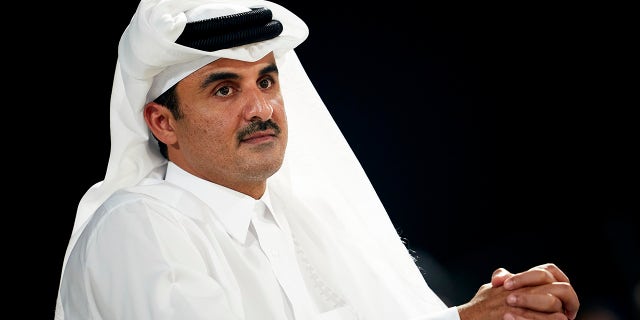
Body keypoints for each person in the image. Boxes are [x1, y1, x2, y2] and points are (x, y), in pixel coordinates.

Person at [55, 0, 580, 319]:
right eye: (223, 90)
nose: (260, 108)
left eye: (266, 80)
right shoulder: (139, 226)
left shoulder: (305, 214)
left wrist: (499, 310)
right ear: (163, 123)